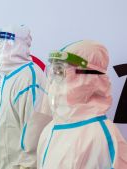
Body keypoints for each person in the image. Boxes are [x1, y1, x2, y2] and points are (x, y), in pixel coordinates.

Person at [37, 40, 127, 169]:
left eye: (61, 71)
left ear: (90, 79)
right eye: (55, 71)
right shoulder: (50, 128)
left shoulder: (103, 137)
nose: (55, 80)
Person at [0, 25, 51, 169]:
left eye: (2, 44)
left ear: (18, 46)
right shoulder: (8, 75)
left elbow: (35, 135)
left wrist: (27, 166)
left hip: (19, 165)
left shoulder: (30, 78)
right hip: (4, 160)